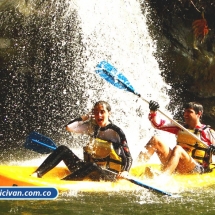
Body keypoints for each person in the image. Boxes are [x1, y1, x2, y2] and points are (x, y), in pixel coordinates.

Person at [31, 101, 133, 181]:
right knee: (63, 149)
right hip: (87, 169)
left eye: (102, 112)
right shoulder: (91, 127)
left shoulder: (116, 132)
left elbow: (128, 157)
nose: (99, 116)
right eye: (96, 112)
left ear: (109, 114)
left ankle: (63, 182)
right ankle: (37, 174)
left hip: (109, 174)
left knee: (93, 166)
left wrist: (125, 172)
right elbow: (69, 127)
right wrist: (86, 116)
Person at [138, 100, 215, 177]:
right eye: (185, 111)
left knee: (178, 149)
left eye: (189, 111)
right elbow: (158, 124)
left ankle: (163, 177)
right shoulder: (180, 127)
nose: (185, 114)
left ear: (199, 113)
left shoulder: (208, 132)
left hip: (197, 169)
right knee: (155, 140)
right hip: (178, 164)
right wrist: (153, 112)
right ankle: (136, 166)